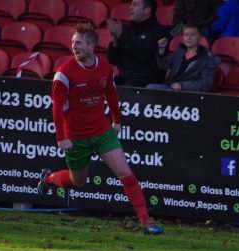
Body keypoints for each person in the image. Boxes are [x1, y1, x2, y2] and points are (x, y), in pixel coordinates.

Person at [37, 23, 164, 235]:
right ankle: (48, 178)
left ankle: (145, 221)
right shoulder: (64, 73)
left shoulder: (104, 68)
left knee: (126, 174)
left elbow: (111, 95)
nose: (74, 46)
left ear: (91, 45)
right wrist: (61, 138)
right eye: (72, 43)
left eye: (78, 43)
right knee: (78, 182)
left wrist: (117, 120)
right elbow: (57, 107)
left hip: (103, 132)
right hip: (76, 138)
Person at [106, 0, 169, 87]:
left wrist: (120, 35)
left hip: (146, 81)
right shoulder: (127, 30)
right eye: (131, 4)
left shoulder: (159, 32)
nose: (130, 8)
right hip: (123, 78)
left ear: (147, 10)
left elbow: (142, 54)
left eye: (135, 5)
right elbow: (113, 60)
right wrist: (115, 40)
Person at [147, 24, 219, 92]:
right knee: (149, 88)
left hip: (188, 94)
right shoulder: (179, 53)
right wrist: (161, 49)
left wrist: (182, 86)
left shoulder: (207, 58)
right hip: (170, 89)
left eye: (193, 35)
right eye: (186, 35)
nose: (189, 37)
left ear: (200, 37)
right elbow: (163, 66)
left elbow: (205, 84)